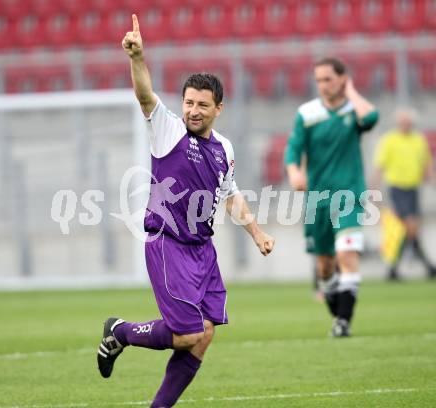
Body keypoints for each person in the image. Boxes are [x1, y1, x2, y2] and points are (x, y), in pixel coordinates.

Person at [96, 14, 275, 408]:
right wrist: (138, 58)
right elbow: (145, 96)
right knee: (188, 333)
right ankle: (121, 331)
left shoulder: (223, 149)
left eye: (202, 105)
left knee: (205, 334)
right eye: (189, 102)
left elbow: (230, 196)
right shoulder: (169, 130)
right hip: (168, 243)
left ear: (219, 108)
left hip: (202, 250)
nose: (193, 110)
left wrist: (258, 233)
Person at [285, 57, 379, 337]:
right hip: (318, 200)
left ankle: (344, 322)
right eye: (319, 80)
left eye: (328, 78)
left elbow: (372, 117)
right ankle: (337, 312)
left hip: (350, 195)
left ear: (342, 78)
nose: (323, 85)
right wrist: (294, 172)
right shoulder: (307, 113)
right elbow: (293, 149)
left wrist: (350, 91)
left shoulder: (354, 111)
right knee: (325, 265)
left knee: (346, 254)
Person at [375, 108, 436, 280]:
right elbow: (380, 167)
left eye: (408, 121)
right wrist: (375, 190)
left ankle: (393, 269)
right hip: (397, 188)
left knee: (409, 229)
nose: (406, 124)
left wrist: (432, 180)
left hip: (413, 188)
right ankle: (427, 264)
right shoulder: (390, 140)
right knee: (410, 225)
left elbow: (427, 165)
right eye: (403, 121)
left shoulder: (419, 140)